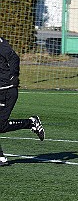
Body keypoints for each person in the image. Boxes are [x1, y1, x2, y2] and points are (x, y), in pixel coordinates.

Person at [0, 37, 45, 166]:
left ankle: (31, 123)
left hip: (6, 90)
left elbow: (14, 58)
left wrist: (14, 75)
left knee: (0, 126)